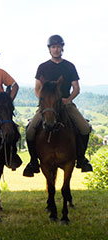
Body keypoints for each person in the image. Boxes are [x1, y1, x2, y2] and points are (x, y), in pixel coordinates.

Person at [23, 35, 93, 177]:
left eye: (58, 47)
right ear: (49, 49)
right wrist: (44, 102)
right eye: (53, 47)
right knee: (30, 130)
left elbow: (76, 88)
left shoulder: (69, 66)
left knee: (85, 128)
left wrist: (68, 99)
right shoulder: (42, 67)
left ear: (62, 48)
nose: (56, 49)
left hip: (65, 104)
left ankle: (81, 158)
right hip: (47, 106)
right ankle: (33, 162)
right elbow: (37, 88)